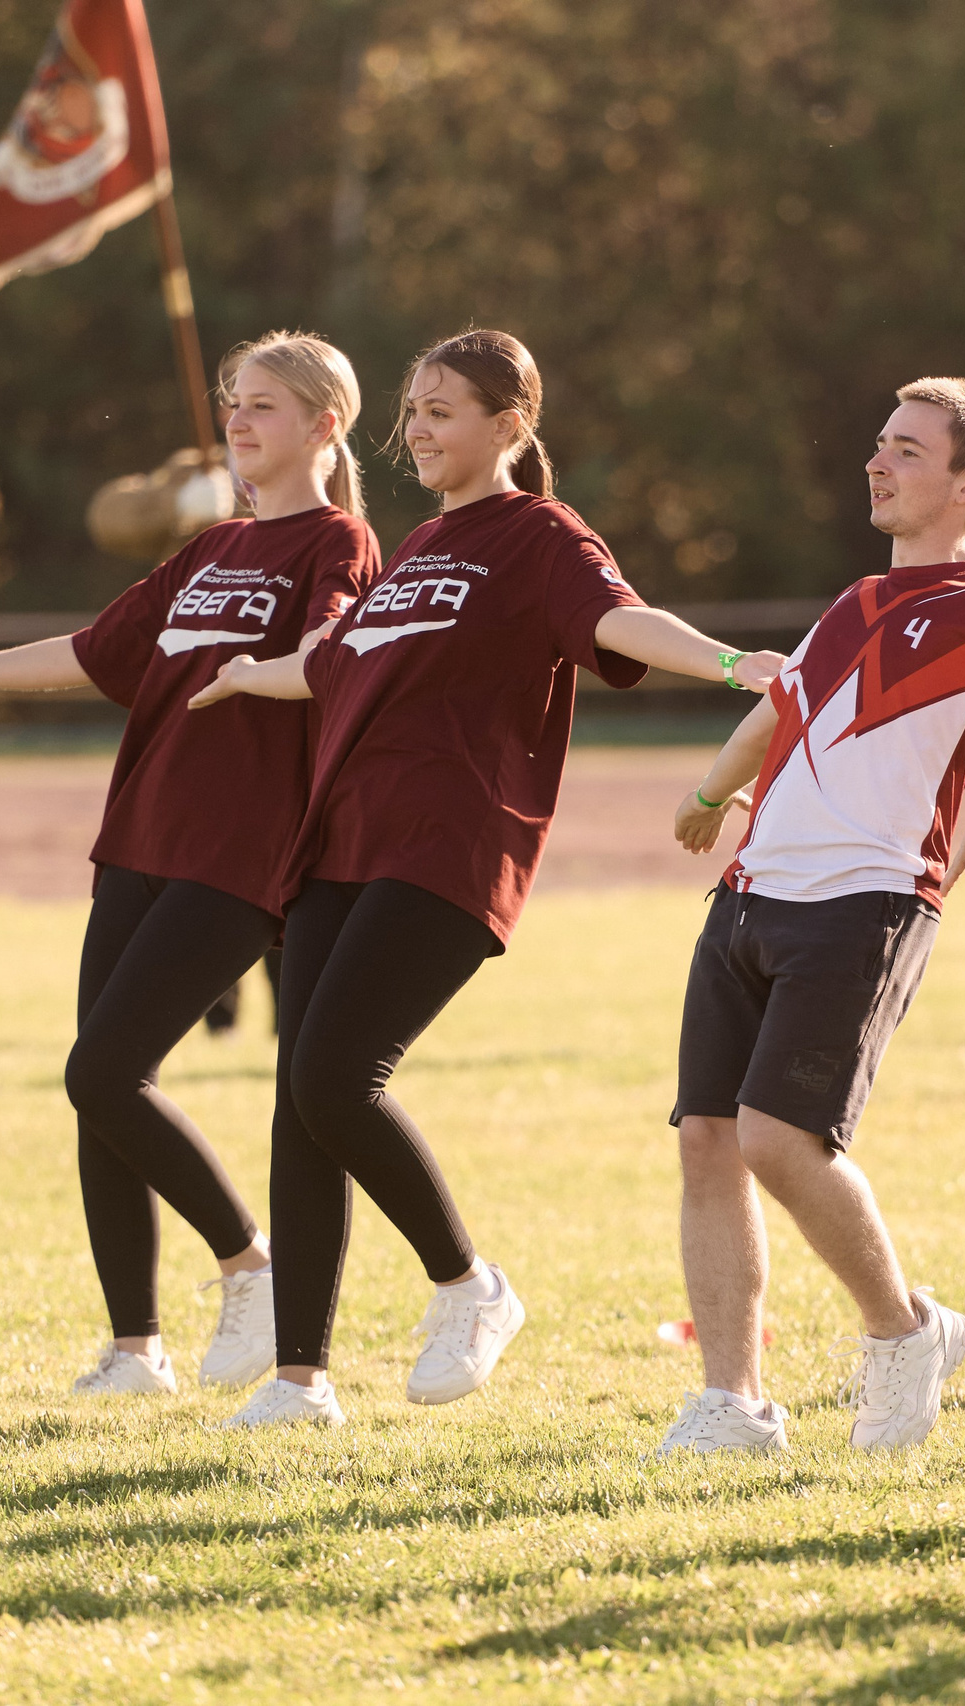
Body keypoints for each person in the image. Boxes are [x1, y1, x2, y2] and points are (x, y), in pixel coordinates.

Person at [189, 328, 786, 1427]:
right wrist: (245, 671)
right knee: (297, 1104)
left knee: (333, 1078)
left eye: (442, 409)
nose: (416, 428)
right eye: (411, 409)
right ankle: (299, 1376)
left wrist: (729, 659)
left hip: (447, 843)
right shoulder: (415, 547)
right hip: (337, 844)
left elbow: (618, 619)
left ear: (508, 425)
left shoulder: (535, 533)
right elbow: (334, 661)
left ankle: (470, 1285)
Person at [0, 332, 381, 1396]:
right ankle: (135, 1347)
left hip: (240, 851)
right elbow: (100, 647)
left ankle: (251, 1264)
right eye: (233, 402)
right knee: (98, 1084)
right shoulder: (208, 549)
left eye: (265, 406)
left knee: (101, 1069)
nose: (238, 421)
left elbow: (330, 656)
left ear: (326, 425)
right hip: (138, 833)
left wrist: (263, 670)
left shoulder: (340, 544)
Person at [655, 378, 965, 1456]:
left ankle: (904, 1331)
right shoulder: (849, 603)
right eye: (880, 445)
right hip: (750, 895)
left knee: (782, 1140)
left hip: (866, 902)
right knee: (708, 1139)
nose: (877, 464)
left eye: (908, 452)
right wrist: (709, 796)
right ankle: (732, 1402)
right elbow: (777, 707)